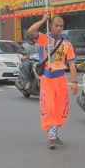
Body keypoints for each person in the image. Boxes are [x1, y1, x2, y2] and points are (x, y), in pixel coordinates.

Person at [28, 13, 78, 149]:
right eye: (56, 25)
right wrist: (43, 19)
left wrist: (74, 82)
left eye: (61, 26)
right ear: (51, 25)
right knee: (49, 107)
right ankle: (52, 138)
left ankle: (53, 133)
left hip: (61, 79)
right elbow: (31, 31)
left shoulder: (67, 44)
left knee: (61, 109)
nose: (59, 28)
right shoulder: (44, 39)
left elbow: (72, 64)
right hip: (47, 79)